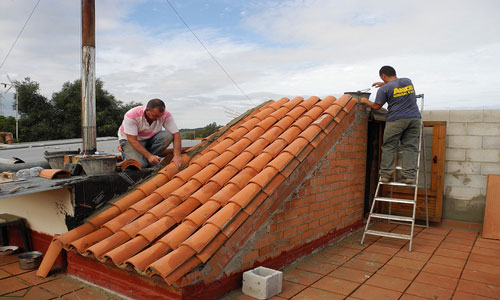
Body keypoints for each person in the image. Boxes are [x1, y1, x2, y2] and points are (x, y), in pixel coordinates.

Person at [360, 66, 421, 184]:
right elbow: (395, 85)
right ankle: (409, 176)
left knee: (389, 146)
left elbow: (377, 106)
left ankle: (386, 175)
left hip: (396, 120)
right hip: (414, 119)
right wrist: (384, 83)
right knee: (410, 147)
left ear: (383, 76)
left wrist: (365, 101)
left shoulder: (383, 90)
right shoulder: (407, 81)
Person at [118, 98, 182, 168]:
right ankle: (130, 159)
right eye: (155, 116)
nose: (158, 119)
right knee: (140, 165)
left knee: (167, 136)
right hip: (130, 140)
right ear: (147, 110)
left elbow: (176, 134)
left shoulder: (165, 115)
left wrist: (177, 155)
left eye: (160, 116)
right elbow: (132, 140)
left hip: (149, 139)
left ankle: (146, 158)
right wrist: (149, 156)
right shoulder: (132, 115)